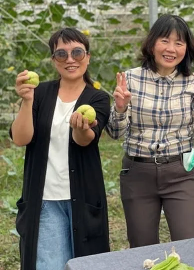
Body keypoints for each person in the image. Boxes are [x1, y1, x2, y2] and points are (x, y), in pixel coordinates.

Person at [105, 14, 194, 248]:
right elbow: (115, 133)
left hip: (181, 172)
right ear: (152, 44)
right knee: (142, 248)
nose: (171, 49)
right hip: (138, 172)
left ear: (187, 49)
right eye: (165, 41)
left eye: (179, 43)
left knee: (189, 245)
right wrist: (120, 107)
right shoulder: (130, 79)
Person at [10, 28, 111, 270]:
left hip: (84, 198)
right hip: (45, 199)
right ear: (54, 60)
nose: (70, 59)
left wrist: (80, 127)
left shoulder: (98, 98)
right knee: (50, 265)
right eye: (61, 54)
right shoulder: (40, 93)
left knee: (85, 265)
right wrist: (26, 100)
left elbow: (85, 139)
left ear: (87, 56)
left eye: (77, 52)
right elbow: (21, 139)